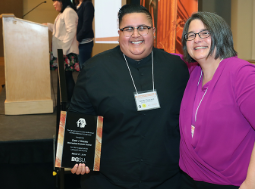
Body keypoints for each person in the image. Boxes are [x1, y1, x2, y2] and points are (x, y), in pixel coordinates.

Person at [69, 4, 189, 189]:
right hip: (109, 180)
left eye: (143, 28)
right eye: (128, 29)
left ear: (153, 31)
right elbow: (79, 117)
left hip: (167, 179)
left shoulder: (176, 68)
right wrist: (78, 155)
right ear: (119, 33)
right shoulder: (95, 69)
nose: (136, 35)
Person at [179, 12, 255, 189]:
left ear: (221, 35)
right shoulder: (193, 72)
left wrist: (252, 182)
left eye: (205, 33)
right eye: (191, 35)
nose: (197, 39)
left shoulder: (242, 73)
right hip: (192, 178)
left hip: (235, 182)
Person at [45, 0, 79, 102]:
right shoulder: (62, 13)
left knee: (67, 78)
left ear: (62, 1)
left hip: (66, 52)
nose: (53, 4)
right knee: (64, 78)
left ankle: (70, 105)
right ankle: (66, 103)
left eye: (55, 1)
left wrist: (64, 50)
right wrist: (47, 25)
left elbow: (71, 31)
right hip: (62, 51)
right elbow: (59, 31)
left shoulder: (69, 12)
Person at [73, 0, 94, 70]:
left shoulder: (87, 4)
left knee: (84, 69)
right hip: (76, 42)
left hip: (84, 43)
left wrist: (77, 39)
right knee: (79, 69)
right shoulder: (75, 6)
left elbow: (86, 26)